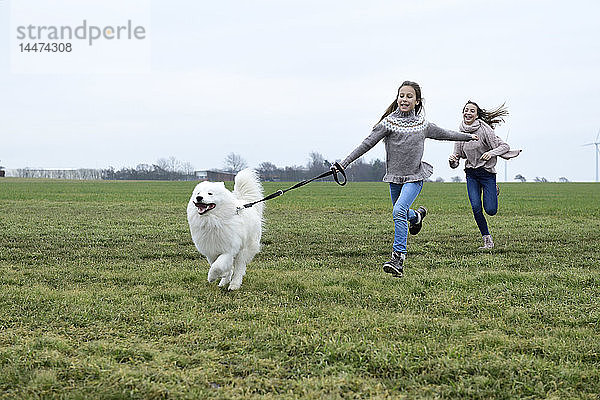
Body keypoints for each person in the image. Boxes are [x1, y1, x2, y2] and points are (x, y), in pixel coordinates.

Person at [335, 81, 477, 278]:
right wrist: (344, 163)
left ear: (417, 101)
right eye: (401, 95)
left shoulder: (423, 125)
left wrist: (467, 137)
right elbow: (367, 144)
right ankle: (417, 217)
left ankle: (398, 259)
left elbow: (445, 134)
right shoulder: (388, 123)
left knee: (398, 210)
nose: (404, 99)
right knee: (401, 213)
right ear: (397, 98)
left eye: (409, 96)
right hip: (394, 177)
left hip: (415, 176)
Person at [448, 101, 521, 249]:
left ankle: (493, 189)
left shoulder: (485, 130)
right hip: (471, 174)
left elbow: (504, 146)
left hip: (487, 174)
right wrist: (453, 160)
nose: (468, 113)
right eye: (466, 110)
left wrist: (490, 153)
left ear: (477, 115)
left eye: (472, 111)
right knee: (476, 207)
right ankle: (487, 239)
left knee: (491, 210)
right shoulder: (460, 133)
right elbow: (458, 157)